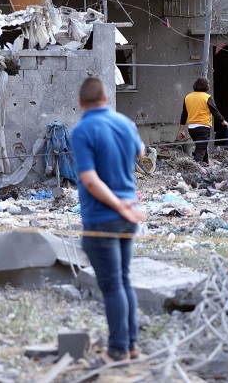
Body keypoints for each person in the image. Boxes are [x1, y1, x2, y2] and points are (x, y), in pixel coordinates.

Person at [70, 77, 147, 364]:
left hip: (103, 217)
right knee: (123, 280)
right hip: (128, 215)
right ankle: (131, 345)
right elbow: (140, 151)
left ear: (80, 103)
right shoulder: (124, 123)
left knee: (113, 285)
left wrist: (117, 205)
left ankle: (117, 351)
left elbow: (90, 180)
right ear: (106, 98)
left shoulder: (82, 130)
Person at [178, 77, 228, 165]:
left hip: (191, 128)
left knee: (201, 146)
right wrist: (223, 121)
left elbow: (184, 115)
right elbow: (215, 112)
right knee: (200, 149)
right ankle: (195, 167)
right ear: (206, 86)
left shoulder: (187, 97)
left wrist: (181, 130)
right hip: (203, 127)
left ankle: (206, 162)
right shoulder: (207, 97)